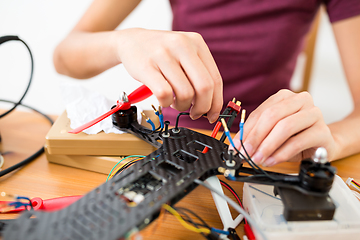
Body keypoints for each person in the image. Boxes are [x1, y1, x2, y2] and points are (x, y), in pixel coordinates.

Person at [53, 0, 360, 167]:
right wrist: (122, 42)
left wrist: (333, 140)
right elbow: (64, 56)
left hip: (264, 155)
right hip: (167, 143)